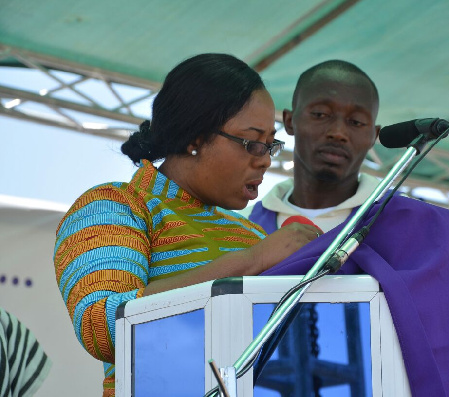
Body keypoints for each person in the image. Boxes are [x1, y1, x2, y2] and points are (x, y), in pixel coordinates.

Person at [53, 53, 321, 397]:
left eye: (271, 144)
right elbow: (101, 327)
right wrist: (251, 262)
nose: (266, 159)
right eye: (252, 142)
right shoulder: (117, 207)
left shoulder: (252, 235)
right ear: (194, 138)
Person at [241, 60, 381, 233]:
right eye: (320, 114)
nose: (338, 133)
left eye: (356, 122)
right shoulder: (241, 229)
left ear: (374, 135)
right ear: (290, 121)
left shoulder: (404, 225)